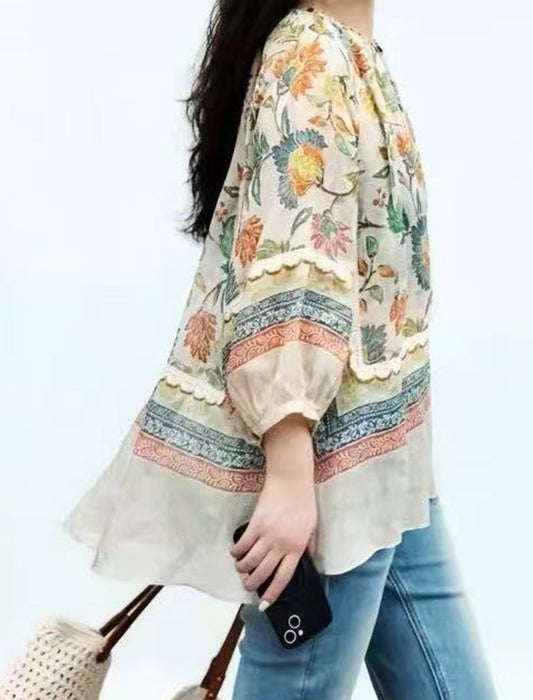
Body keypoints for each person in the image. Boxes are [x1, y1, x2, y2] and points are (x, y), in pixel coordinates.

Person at [62, 1, 497, 697]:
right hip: (327, 473)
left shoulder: (350, 54)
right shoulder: (309, 56)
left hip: (387, 464)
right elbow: (291, 264)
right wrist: (291, 471)